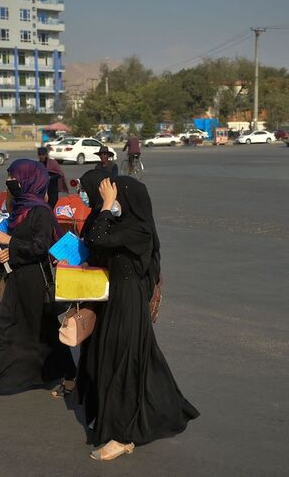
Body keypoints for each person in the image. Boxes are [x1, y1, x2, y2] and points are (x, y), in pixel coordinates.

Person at [76, 175, 199, 461]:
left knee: (123, 365)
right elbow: (93, 240)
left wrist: (106, 205)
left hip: (128, 304)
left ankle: (122, 436)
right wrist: (103, 209)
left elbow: (98, 237)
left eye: (117, 196)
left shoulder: (138, 231)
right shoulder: (123, 225)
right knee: (119, 362)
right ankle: (131, 416)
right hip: (113, 301)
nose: (113, 202)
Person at [0, 159, 76, 408]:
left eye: (14, 176)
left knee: (6, 331)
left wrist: (10, 243)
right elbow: (12, 245)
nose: (10, 181)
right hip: (14, 277)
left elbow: (41, 247)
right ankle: (71, 375)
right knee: (34, 331)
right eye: (9, 176)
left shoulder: (40, 211)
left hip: (31, 280)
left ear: (30, 179)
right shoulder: (19, 209)